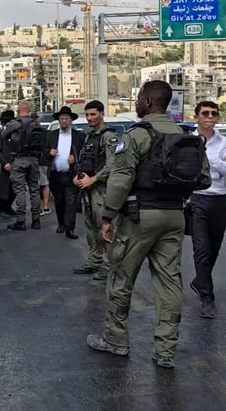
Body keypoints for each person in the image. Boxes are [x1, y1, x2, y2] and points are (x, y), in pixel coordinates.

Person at [88, 80, 209, 369]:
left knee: (121, 276)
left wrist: (107, 216)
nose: (137, 101)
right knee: (169, 282)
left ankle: (116, 339)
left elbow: (120, 181)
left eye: (140, 97)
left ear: (149, 101)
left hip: (139, 216)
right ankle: (165, 351)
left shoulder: (137, 135)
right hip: (175, 215)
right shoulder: (184, 136)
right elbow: (203, 178)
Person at [73, 100, 121, 281]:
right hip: (89, 188)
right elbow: (85, 161)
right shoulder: (90, 137)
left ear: (102, 114)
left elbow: (113, 164)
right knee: (91, 226)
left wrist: (93, 179)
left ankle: (109, 265)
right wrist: (78, 177)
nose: (89, 118)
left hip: (102, 188)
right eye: (87, 115)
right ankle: (95, 260)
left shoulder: (109, 137)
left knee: (105, 226)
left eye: (93, 114)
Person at [188, 100, 226, 319]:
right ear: (197, 117)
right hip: (198, 199)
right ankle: (207, 297)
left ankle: (199, 281)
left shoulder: (224, 142)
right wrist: (219, 164)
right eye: (205, 113)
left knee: (214, 249)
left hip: (221, 199)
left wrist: (213, 163)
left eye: (214, 113)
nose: (210, 117)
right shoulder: (188, 142)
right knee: (201, 249)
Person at [1, 102, 43, 231]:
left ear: (19, 110)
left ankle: (21, 220)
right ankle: (36, 220)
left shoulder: (15, 124)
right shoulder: (36, 123)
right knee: (34, 189)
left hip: (19, 159)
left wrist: (12, 144)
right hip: (34, 159)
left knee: (19, 190)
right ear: (29, 110)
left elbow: (3, 135)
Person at [45, 106, 85, 239]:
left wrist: (76, 159)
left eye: (66, 119)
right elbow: (42, 151)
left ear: (71, 120)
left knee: (71, 202)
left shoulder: (79, 136)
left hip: (71, 174)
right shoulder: (51, 135)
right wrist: (49, 152)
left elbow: (84, 154)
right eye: (61, 119)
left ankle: (70, 228)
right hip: (56, 174)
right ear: (58, 120)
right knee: (59, 201)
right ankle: (61, 223)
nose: (64, 121)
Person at [0, 110, 16, 217]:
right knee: (3, 188)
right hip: (4, 164)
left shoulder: (15, 134)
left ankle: (8, 207)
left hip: (14, 163)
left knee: (13, 188)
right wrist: (4, 163)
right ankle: (1, 208)